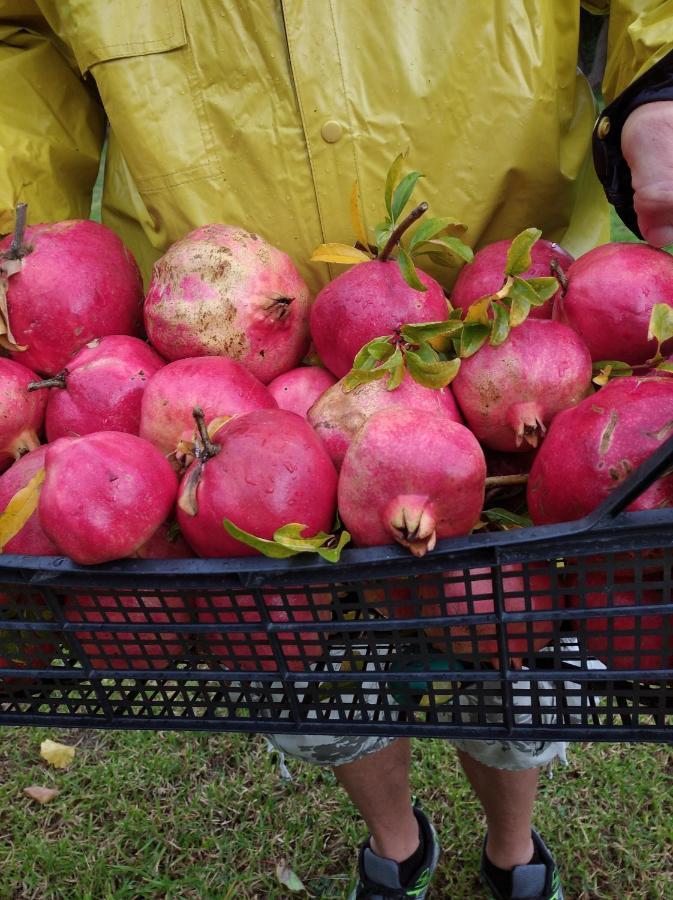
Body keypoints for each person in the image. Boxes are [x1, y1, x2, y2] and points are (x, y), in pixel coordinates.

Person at [1, 3, 672, 898]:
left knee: (515, 656)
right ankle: (397, 845)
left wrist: (659, 90)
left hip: (503, 321)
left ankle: (512, 848)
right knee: (310, 669)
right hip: (215, 373)